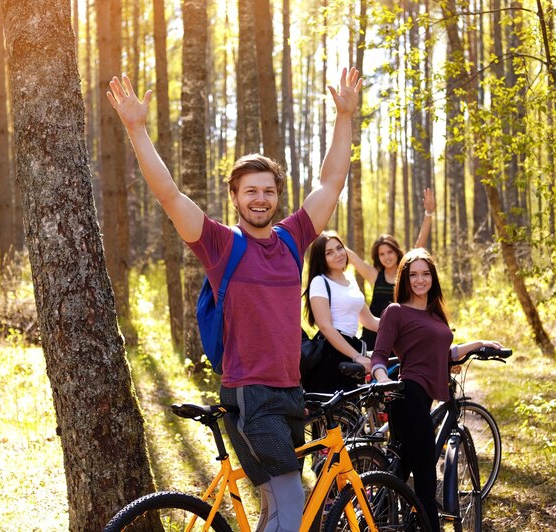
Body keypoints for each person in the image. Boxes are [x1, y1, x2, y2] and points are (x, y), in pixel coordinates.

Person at [107, 67, 362, 532]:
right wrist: (136, 129)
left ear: (277, 196)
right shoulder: (221, 246)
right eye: (251, 192)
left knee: (274, 509)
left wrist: (344, 117)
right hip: (250, 392)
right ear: (236, 198)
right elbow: (169, 195)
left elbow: (330, 183)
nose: (260, 199)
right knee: (291, 503)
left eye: (268, 191)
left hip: (291, 390)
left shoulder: (293, 237)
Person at [370, 248, 503, 531]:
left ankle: (373, 520)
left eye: (425, 274)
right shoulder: (396, 312)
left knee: (401, 471)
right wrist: (383, 380)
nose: (420, 280)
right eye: (414, 274)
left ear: (433, 277)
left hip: (424, 397)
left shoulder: (434, 314)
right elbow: (379, 356)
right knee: (427, 483)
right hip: (407, 396)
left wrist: (479, 343)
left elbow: (446, 352)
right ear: (405, 279)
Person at [347, 188, 436, 349]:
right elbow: (353, 258)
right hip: (373, 335)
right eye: (382, 254)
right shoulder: (375, 276)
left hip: (401, 335)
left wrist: (428, 214)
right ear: (378, 257)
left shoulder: (406, 273)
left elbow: (420, 244)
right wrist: (326, 235)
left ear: (396, 252)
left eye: (390, 252)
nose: (387, 257)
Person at [301, 231, 378, 393]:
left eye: (339, 248)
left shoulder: (350, 281)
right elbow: (326, 327)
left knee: (353, 412)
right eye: (329, 253)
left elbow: (369, 321)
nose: (338, 254)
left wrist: (403, 324)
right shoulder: (320, 282)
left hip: (349, 348)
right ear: (321, 258)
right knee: (336, 415)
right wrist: (356, 356)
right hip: (331, 353)